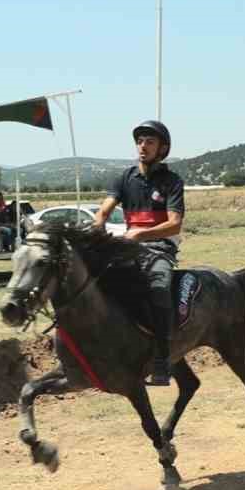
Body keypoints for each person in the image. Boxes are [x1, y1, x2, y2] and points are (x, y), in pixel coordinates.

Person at [93, 120, 185, 385]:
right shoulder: (125, 178)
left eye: (150, 142)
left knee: (159, 286)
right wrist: (96, 226)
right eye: (140, 141)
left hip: (160, 249)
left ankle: (162, 360)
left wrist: (139, 234)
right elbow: (103, 210)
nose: (142, 146)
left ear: (162, 148)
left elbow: (174, 223)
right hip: (129, 248)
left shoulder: (172, 181)